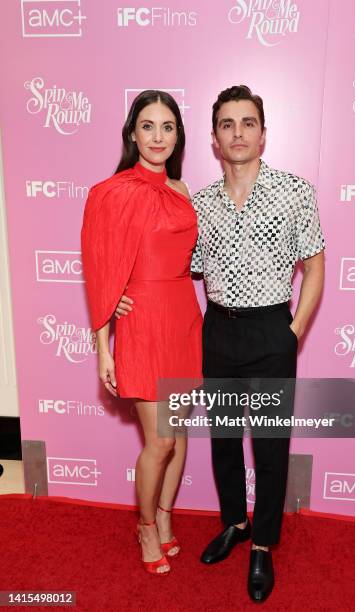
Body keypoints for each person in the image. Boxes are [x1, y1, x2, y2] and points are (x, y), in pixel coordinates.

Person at [115, 84, 325, 601]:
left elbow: (316, 265)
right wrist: (120, 294)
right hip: (218, 330)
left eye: (247, 123)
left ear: (263, 133)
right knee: (226, 440)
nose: (238, 133)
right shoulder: (197, 202)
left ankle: (263, 547)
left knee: (271, 446)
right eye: (227, 124)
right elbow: (167, 261)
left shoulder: (295, 191)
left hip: (273, 328)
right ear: (213, 138)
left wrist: (293, 330)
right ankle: (235, 523)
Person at [81, 90, 202, 575]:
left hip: (182, 316)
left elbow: (190, 260)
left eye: (167, 126)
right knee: (161, 441)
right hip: (144, 321)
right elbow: (102, 267)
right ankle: (146, 526)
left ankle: (167, 518)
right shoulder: (112, 192)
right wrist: (103, 344)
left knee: (178, 432)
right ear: (132, 133)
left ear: (178, 135)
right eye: (148, 126)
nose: (158, 136)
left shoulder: (184, 191)